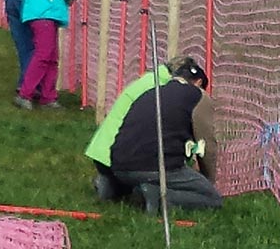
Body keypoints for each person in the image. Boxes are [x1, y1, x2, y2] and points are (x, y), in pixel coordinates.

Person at [94, 60, 222, 213]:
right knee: (213, 199)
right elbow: (206, 144)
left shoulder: (151, 92)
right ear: (199, 82)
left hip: (118, 165)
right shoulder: (199, 96)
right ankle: (160, 198)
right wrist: (208, 181)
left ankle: (113, 186)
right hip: (154, 167)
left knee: (141, 176)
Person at [85, 56, 198, 200]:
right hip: (122, 153)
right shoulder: (163, 89)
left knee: (117, 192)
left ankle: (110, 184)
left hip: (101, 151)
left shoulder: (149, 80)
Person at [14, 0, 78, 110]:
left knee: (50, 56)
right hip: (44, 12)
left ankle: (47, 96)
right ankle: (26, 93)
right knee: (44, 54)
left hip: (45, 11)